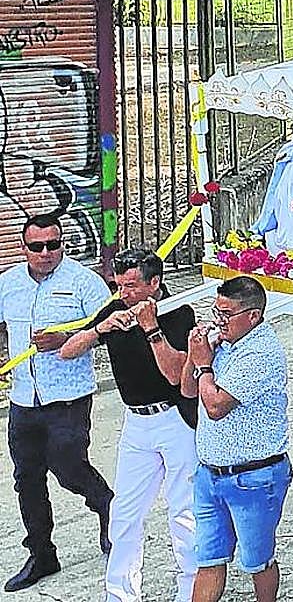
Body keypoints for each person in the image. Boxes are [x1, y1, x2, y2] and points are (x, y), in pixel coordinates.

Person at [60, 247, 198, 602]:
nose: (125, 294)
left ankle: (191, 592)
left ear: (155, 282)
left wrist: (151, 327)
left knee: (184, 511)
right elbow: (68, 350)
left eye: (132, 286)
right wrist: (100, 329)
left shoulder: (180, 312)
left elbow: (175, 375)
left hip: (175, 419)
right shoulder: (116, 309)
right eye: (119, 286)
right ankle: (120, 595)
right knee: (124, 514)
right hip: (136, 424)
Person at [0, 213, 113, 592]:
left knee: (68, 466)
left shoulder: (83, 281)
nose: (47, 252)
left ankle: (104, 504)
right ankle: (42, 553)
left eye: (54, 244)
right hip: (23, 397)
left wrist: (70, 340)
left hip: (67, 395)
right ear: (24, 247)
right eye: (38, 246)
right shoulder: (9, 284)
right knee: (27, 478)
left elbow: (109, 325)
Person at [182, 276, 290, 602]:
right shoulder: (223, 343)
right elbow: (188, 390)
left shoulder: (262, 351)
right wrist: (194, 355)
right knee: (209, 560)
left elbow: (215, 406)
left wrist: (204, 365)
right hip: (211, 473)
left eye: (226, 314)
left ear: (253, 316)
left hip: (254, 476)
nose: (219, 321)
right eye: (216, 312)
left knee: (258, 562)